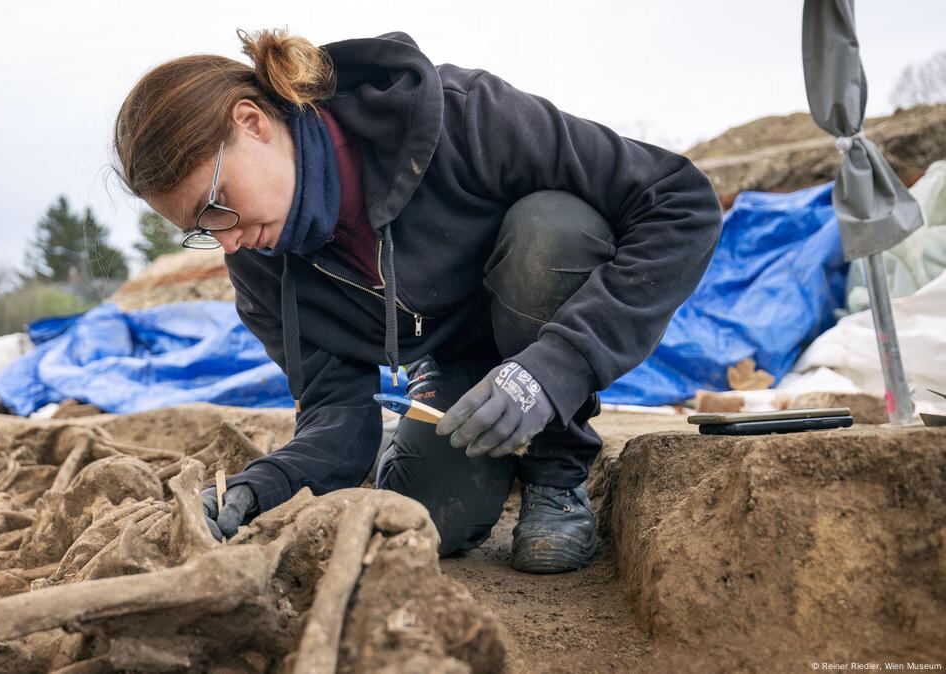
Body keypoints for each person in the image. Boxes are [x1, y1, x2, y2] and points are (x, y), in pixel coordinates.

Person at [113, 29, 721, 573]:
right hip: (455, 369)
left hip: (543, 327)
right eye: (200, 228)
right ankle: (421, 442)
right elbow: (335, 413)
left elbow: (679, 200)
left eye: (216, 204)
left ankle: (554, 473)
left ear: (252, 122)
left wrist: (555, 369)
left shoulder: (463, 119)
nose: (225, 237)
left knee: (551, 229)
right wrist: (259, 490)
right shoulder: (257, 261)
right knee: (434, 521)